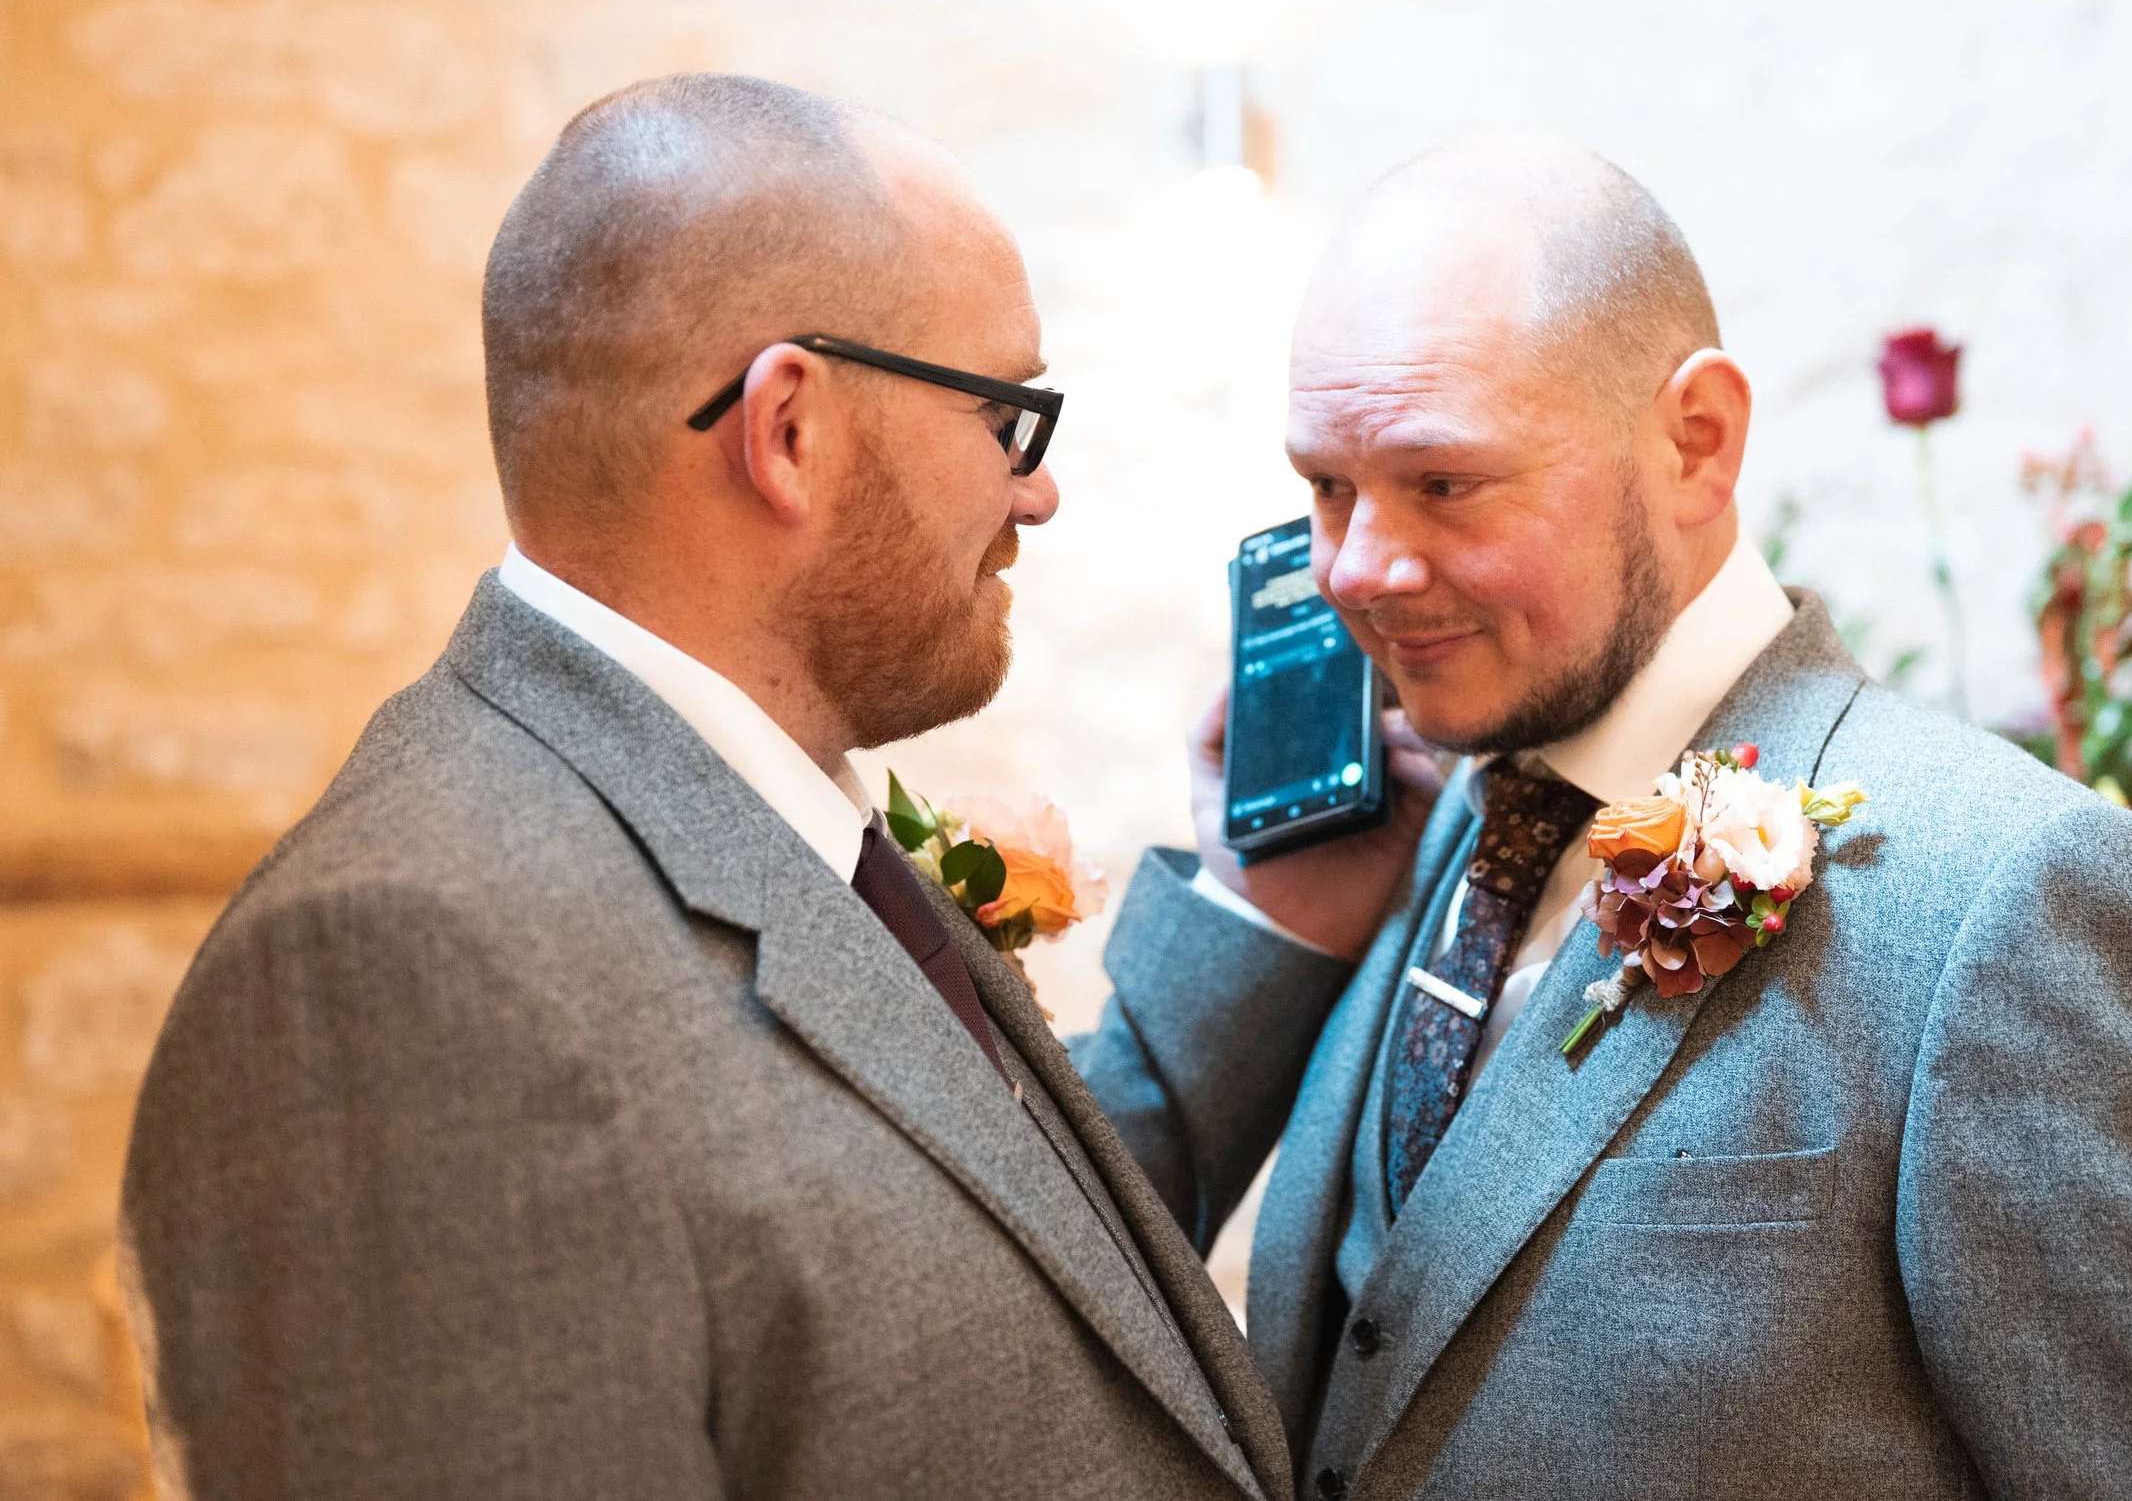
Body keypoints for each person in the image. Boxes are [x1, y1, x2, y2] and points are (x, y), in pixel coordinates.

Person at [1073, 137, 2132, 1498]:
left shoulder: (2017, 894)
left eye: (1444, 482)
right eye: (1326, 487)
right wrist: (1263, 918)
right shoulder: (1418, 822)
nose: (1358, 569)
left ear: (1696, 443)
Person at [120, 73, 1293, 1501]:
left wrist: (1267, 918)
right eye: (1006, 416)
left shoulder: (759, 811)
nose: (1035, 491)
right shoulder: (407, 969)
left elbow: (1012, 1273)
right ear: (787, 428)